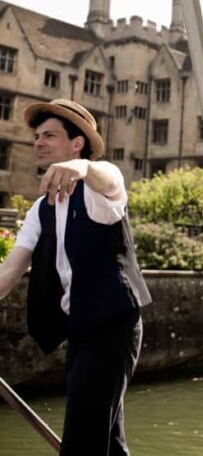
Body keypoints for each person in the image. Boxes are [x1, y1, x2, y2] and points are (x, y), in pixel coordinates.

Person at [0, 99, 151, 455]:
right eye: (37, 136)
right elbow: (8, 272)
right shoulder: (40, 209)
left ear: (77, 143)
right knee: (107, 439)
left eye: (49, 135)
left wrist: (81, 168)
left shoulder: (98, 191)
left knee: (83, 439)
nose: (38, 142)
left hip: (114, 325)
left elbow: (111, 177)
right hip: (79, 328)